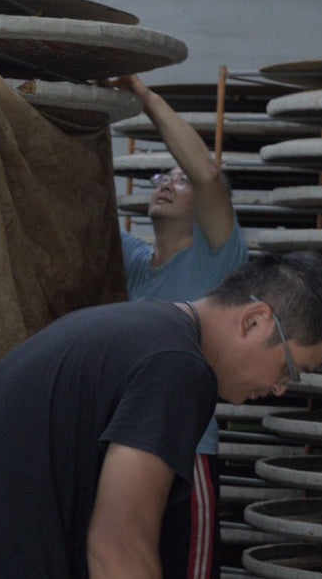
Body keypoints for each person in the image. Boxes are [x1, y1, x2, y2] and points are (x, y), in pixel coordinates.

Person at [0, 250, 322, 579]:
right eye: (291, 369)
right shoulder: (178, 369)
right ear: (254, 320)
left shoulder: (135, 330)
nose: (277, 388)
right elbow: (118, 546)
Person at [108, 74, 248, 578]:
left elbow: (208, 175)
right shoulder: (133, 261)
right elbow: (77, 200)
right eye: (161, 177)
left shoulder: (219, 261)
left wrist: (144, 98)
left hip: (187, 456)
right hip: (125, 451)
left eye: (179, 179)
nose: (167, 182)